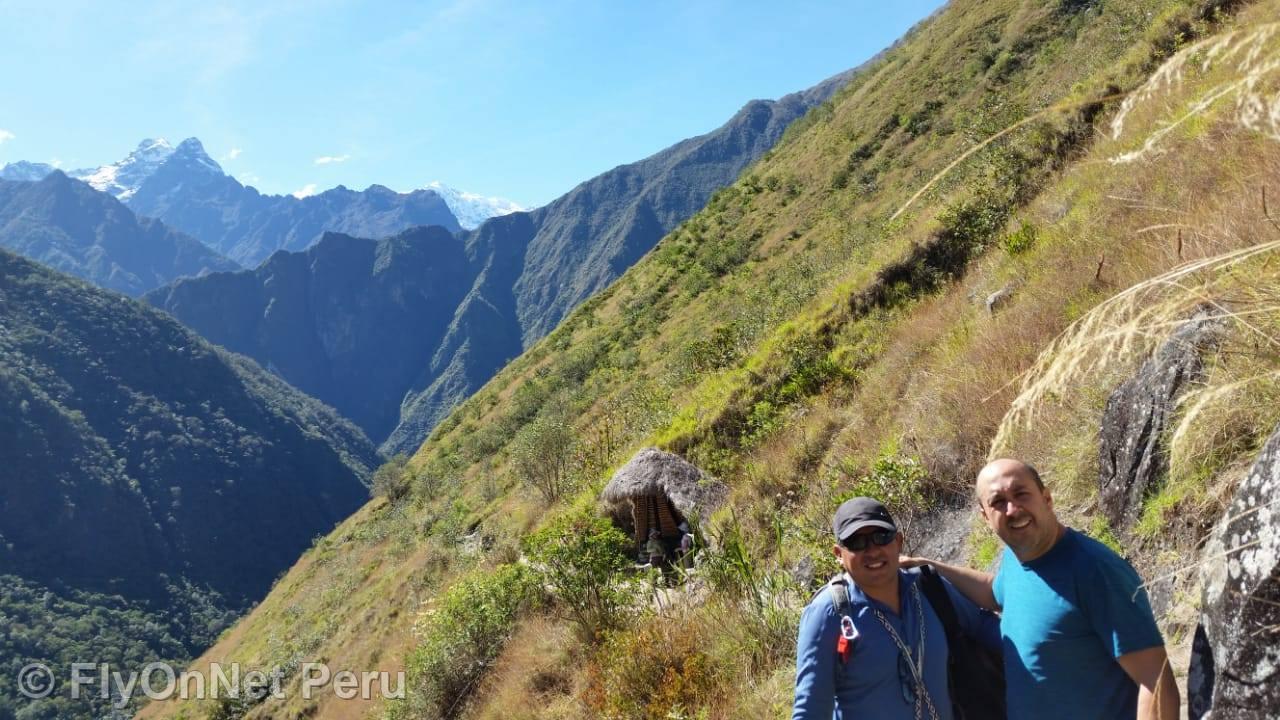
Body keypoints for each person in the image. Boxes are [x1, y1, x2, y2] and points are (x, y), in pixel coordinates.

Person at [903, 458, 1180, 720]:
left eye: (1021, 494)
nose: (1012, 509)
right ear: (985, 517)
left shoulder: (1094, 571)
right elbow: (994, 593)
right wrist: (931, 565)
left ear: (1046, 499)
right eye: (998, 502)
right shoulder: (1017, 557)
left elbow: (1156, 680)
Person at [792, 497, 1000, 720]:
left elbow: (984, 626)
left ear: (898, 542)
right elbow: (810, 711)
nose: (872, 550)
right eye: (857, 542)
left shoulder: (928, 588)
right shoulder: (829, 613)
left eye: (881, 537)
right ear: (839, 554)